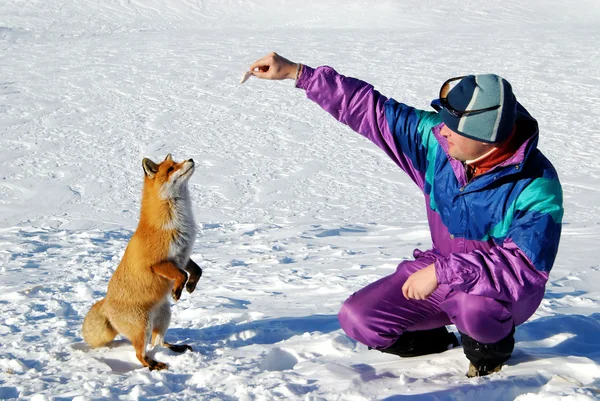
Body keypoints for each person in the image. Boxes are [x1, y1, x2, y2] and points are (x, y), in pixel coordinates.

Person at [246, 52, 563, 377]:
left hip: (504, 292)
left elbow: (522, 268)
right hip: (441, 267)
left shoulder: (536, 186)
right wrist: (298, 74)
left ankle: (490, 352)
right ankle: (439, 344)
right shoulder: (438, 142)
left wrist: (443, 272)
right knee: (359, 318)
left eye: (454, 128)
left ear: (484, 137)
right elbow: (371, 110)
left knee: (474, 307)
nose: (443, 131)